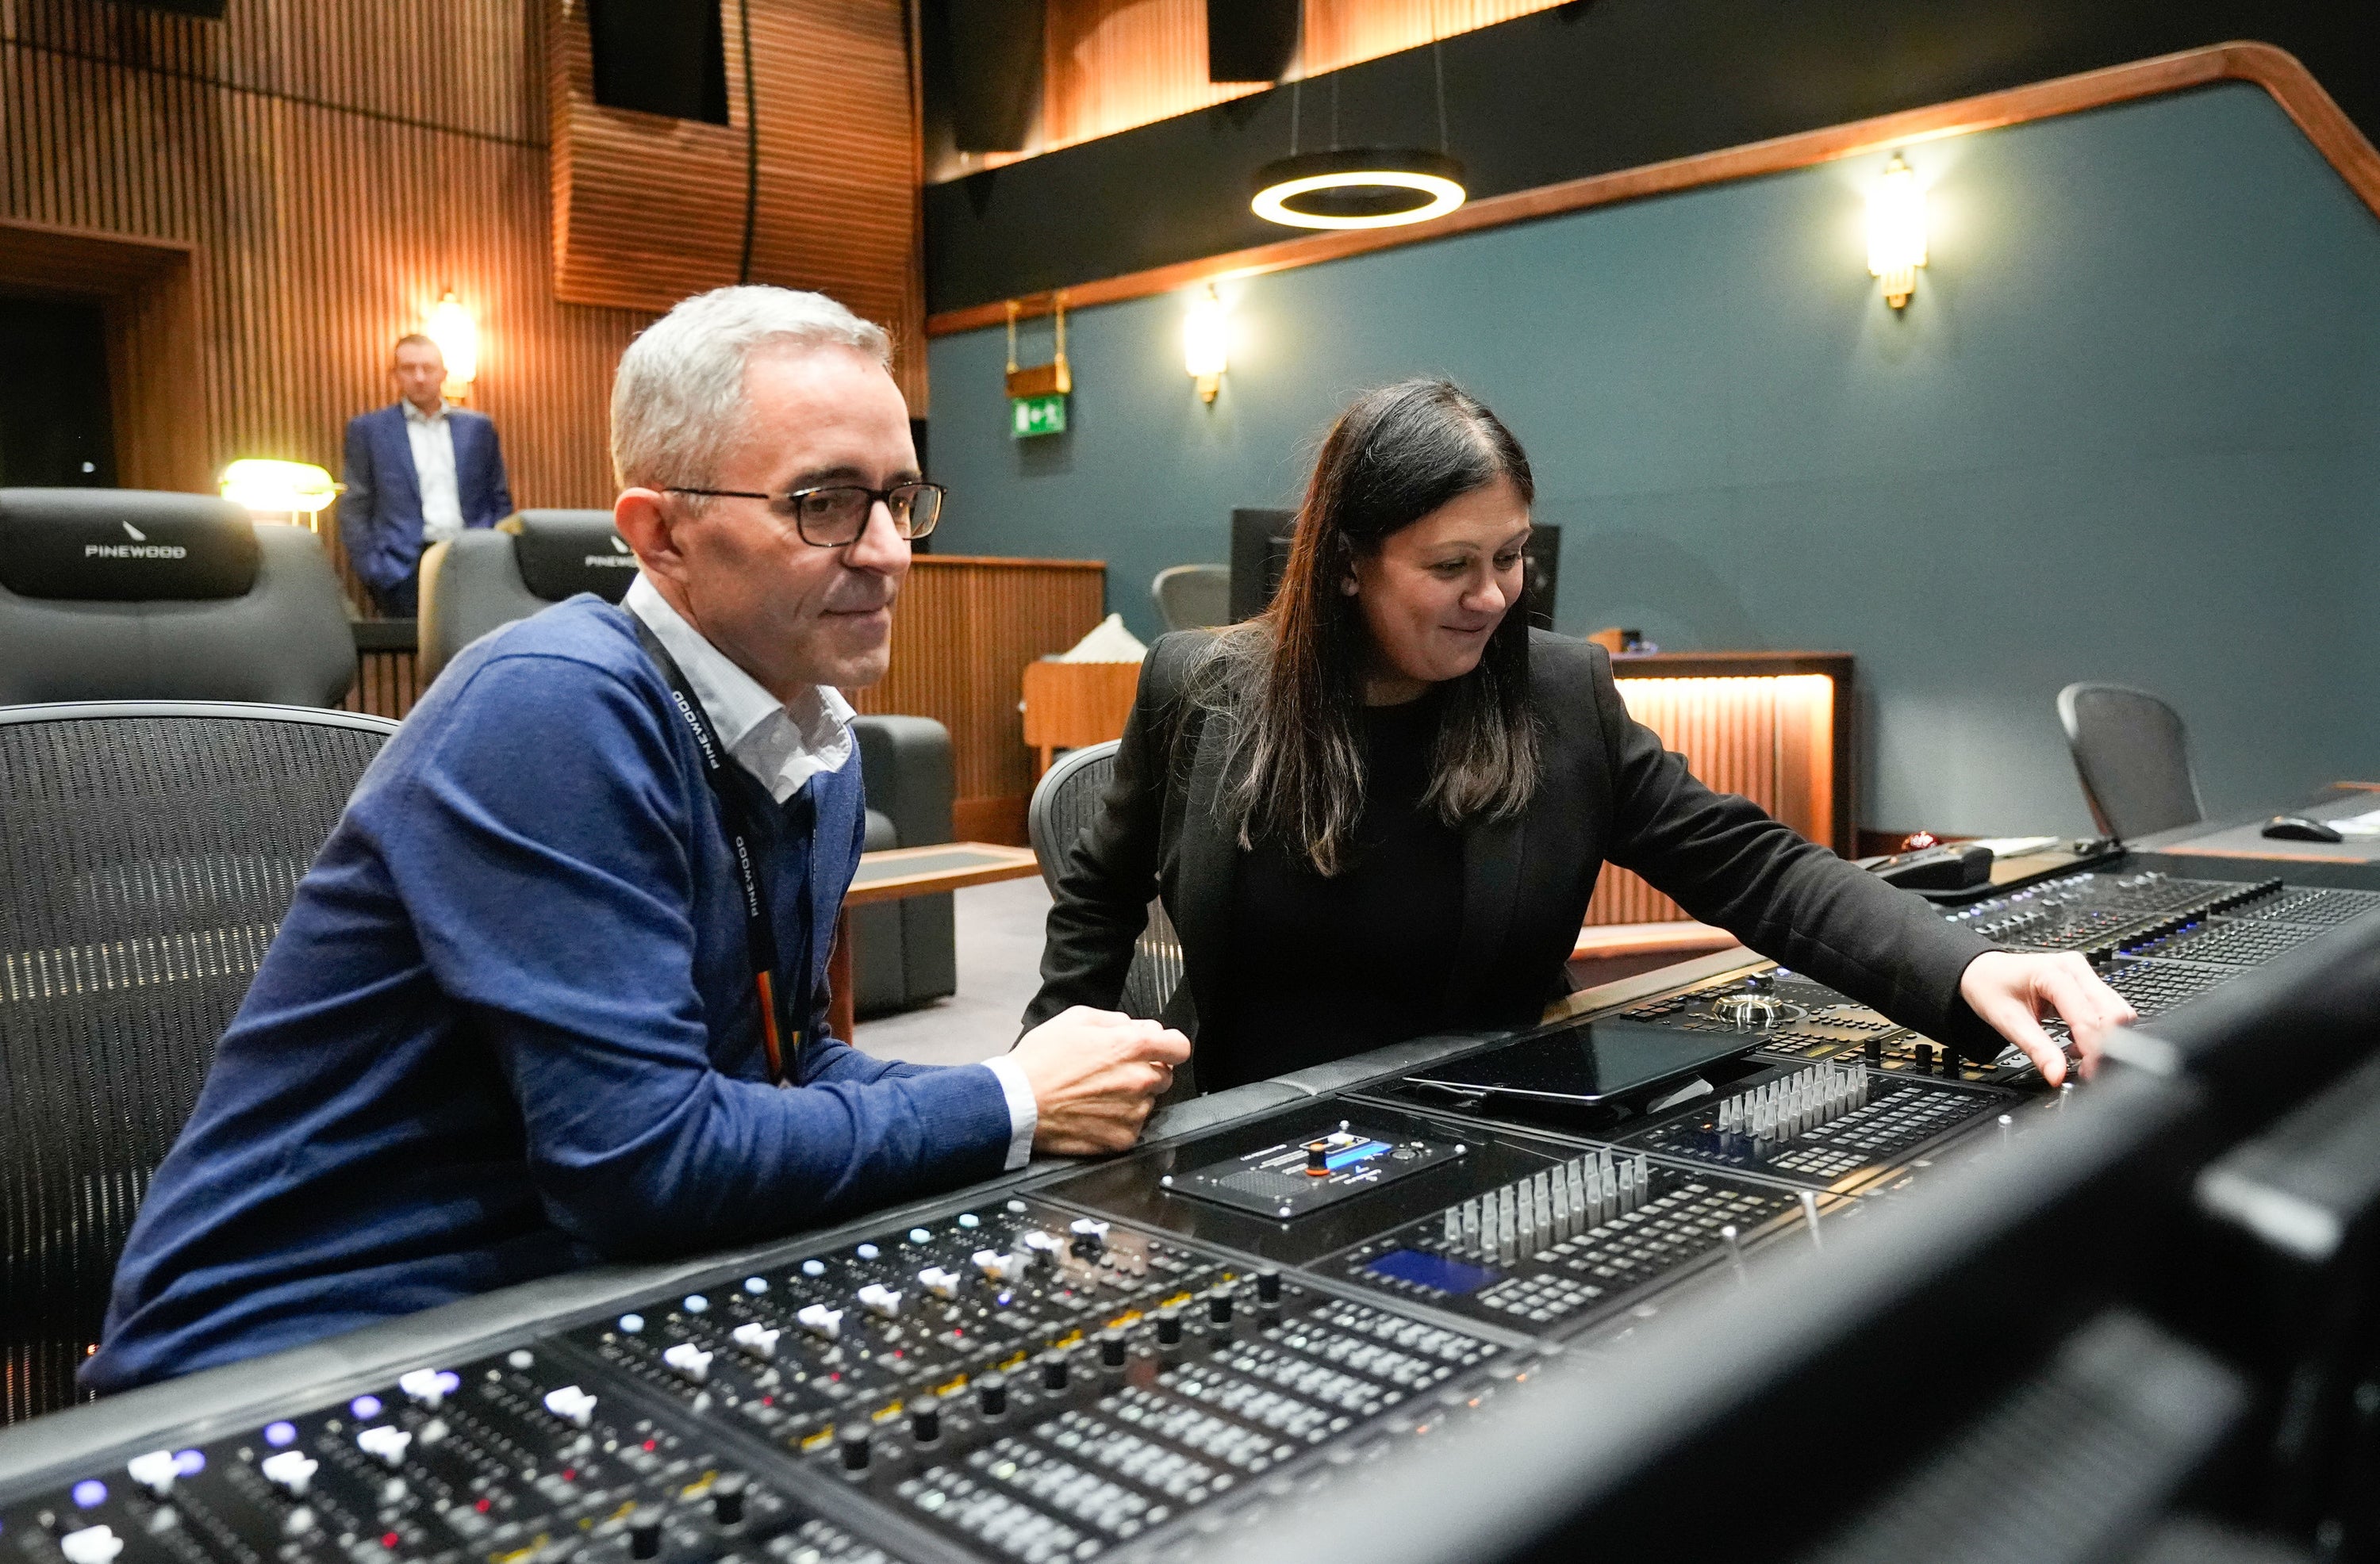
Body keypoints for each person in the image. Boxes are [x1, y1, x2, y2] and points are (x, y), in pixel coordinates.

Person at [86, 288, 1188, 1393]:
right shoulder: (555, 705)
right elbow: (642, 1160)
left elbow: (783, 1067)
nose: (891, 553)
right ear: (658, 534)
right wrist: (1010, 1099)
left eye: (902, 499)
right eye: (826, 504)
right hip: (287, 1359)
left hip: (571, 1293)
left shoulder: (814, 743)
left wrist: (1024, 1092)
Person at [1030, 378, 2134, 1095]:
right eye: (1451, 566)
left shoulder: (1563, 695)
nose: (1494, 596)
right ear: (1348, 561)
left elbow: (1758, 869)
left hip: (1496, 1119)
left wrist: (1967, 963)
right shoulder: (1199, 686)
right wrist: (1034, 1094)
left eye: (1510, 557)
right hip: (1242, 1127)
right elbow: (1100, 893)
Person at [340, 334, 515, 616]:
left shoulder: (478, 428)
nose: (419, 377)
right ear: (394, 375)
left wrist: (493, 549)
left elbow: (499, 497)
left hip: (473, 558)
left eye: (428, 368)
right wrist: (375, 569)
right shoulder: (369, 431)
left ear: (443, 373)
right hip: (402, 569)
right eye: (409, 369)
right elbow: (355, 506)